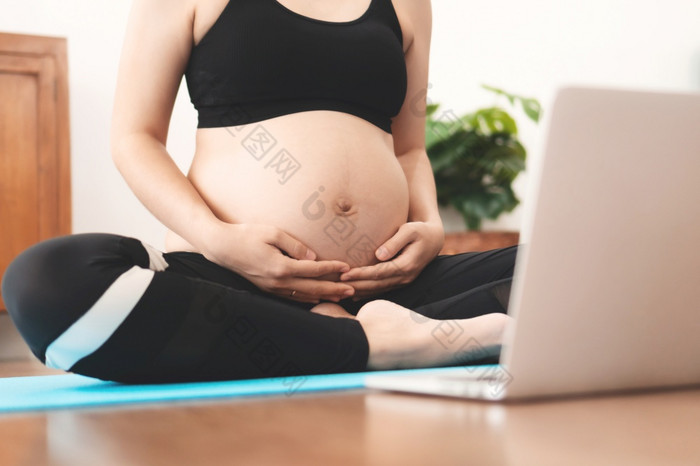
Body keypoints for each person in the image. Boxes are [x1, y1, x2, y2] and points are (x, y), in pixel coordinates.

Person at [1, 0, 517, 383]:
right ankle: (372, 344)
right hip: (230, 280)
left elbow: (409, 150)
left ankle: (359, 335)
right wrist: (219, 239)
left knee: (574, 265)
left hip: (385, 285)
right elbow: (134, 138)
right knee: (45, 283)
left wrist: (429, 226)